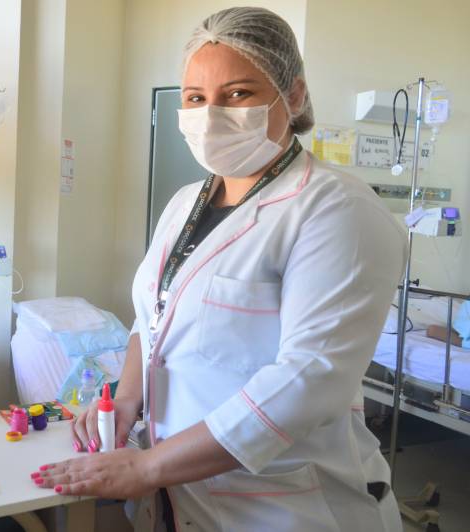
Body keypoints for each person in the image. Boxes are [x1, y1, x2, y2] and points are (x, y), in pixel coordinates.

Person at [32, 7, 407, 531]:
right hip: (181, 499)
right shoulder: (185, 203)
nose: (210, 115)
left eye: (237, 94)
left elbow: (307, 378)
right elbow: (152, 320)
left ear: (293, 96)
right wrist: (126, 402)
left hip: (282, 504)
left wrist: (147, 466)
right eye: (195, 98)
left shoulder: (336, 209)